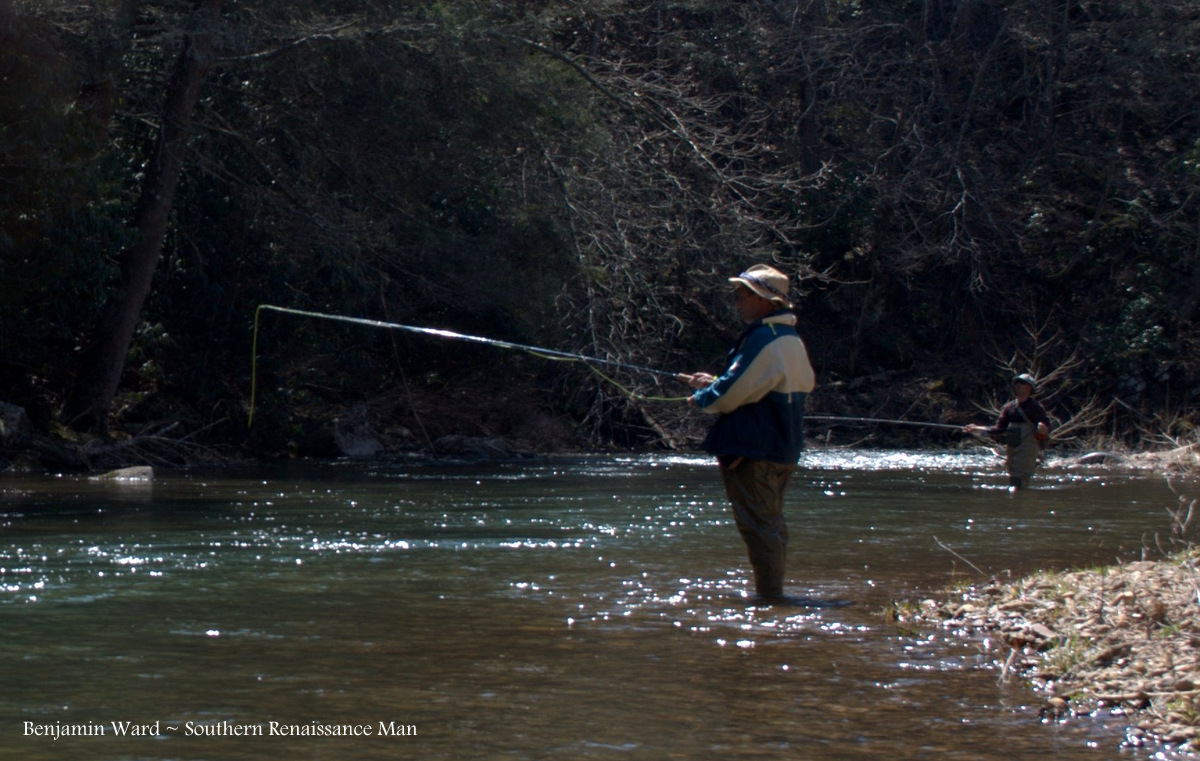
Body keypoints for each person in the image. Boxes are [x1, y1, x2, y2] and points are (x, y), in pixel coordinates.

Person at [680, 264, 816, 600]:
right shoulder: (790, 339)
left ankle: (771, 601)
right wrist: (716, 382)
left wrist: (703, 397)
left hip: (754, 450)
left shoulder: (763, 338)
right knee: (769, 523)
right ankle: (773, 595)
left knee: (759, 527)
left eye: (744, 294)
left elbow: (730, 395)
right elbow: (765, 384)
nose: (738, 300)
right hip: (782, 448)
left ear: (766, 301)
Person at [964, 373, 1052, 490]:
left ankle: (1019, 501)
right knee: (1013, 475)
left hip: (1028, 446)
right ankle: (1017, 500)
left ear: (1030, 387)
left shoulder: (1035, 407)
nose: (1018, 385)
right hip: (1013, 445)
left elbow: (1047, 427)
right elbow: (998, 429)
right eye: (1017, 382)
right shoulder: (1009, 407)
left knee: (1020, 475)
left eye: (1022, 383)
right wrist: (977, 429)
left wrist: (1043, 428)